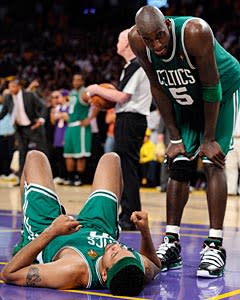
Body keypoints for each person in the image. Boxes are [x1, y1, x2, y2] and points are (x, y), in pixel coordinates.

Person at [128, 5, 240, 277]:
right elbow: (157, 85)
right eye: (148, 40)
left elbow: (211, 85)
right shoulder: (136, 40)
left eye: (159, 37)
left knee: (213, 162)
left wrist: (210, 138)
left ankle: (214, 246)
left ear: (167, 25)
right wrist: (175, 138)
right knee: (177, 164)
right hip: (185, 94)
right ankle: (171, 242)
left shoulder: (194, 31)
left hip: (221, 92)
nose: (156, 45)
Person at [1, 150, 161, 296]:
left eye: (114, 253)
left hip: (48, 232)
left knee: (34, 158)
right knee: (111, 160)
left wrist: (52, 231)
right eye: (123, 249)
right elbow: (155, 264)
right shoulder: (133, 266)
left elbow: (9, 274)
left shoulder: (71, 271)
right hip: (98, 228)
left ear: (104, 274)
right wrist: (145, 232)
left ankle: (26, 233)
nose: (117, 246)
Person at [85, 28, 152, 230]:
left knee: (128, 168)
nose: (116, 43)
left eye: (119, 39)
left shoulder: (137, 65)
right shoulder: (130, 66)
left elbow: (123, 97)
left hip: (132, 119)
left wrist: (97, 89)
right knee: (126, 168)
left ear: (127, 44)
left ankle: (130, 216)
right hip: (128, 118)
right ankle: (128, 213)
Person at [0, 78, 48, 178]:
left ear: (19, 87)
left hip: (33, 126)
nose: (10, 89)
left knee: (41, 151)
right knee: (22, 153)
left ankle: (45, 176)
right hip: (20, 128)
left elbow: (43, 106)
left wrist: (41, 120)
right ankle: (21, 177)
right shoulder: (8, 98)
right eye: (9, 87)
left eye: (13, 86)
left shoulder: (29, 95)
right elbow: (3, 113)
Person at [63, 74, 98, 186]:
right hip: (70, 125)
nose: (76, 82)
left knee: (80, 155)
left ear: (82, 82)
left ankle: (79, 178)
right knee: (68, 154)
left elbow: (97, 104)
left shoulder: (85, 93)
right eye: (74, 80)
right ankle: (70, 177)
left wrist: (90, 118)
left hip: (80, 126)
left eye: (78, 80)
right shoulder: (72, 93)